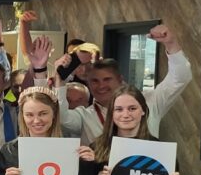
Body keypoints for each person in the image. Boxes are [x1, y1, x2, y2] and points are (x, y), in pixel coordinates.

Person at [55, 24, 191, 145]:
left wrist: (171, 44)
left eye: (107, 79)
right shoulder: (84, 116)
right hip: (102, 173)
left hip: (143, 172)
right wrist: (60, 78)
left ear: (120, 79)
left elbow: (179, 78)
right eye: (95, 81)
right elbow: (61, 117)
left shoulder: (150, 102)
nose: (101, 86)